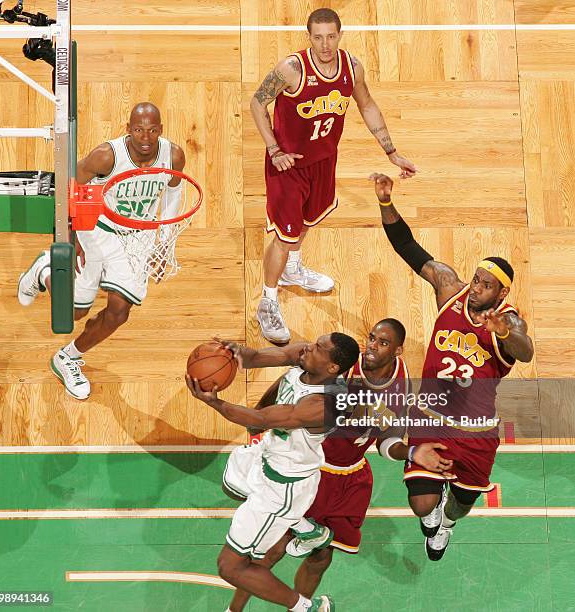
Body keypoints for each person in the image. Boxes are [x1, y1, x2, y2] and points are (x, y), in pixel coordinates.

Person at [225, 319, 453, 611]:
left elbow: (387, 443)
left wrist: (411, 454)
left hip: (348, 479)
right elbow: (290, 375)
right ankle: (234, 609)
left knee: (321, 558)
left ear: (398, 350)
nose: (372, 346)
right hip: (309, 469)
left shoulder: (398, 391)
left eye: (382, 343)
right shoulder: (341, 360)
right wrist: (259, 418)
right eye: (371, 338)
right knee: (270, 551)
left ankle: (302, 592)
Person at [371, 172, 534, 560]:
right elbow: (406, 244)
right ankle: (432, 516)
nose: (476, 288)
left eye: (486, 285)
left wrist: (504, 333)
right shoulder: (449, 288)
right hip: (430, 416)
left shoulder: (510, 322)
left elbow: (525, 351)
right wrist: (385, 201)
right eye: (476, 280)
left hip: (477, 431)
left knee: (459, 504)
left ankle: (448, 522)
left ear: (502, 292)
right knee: (420, 505)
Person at [250, 8, 417, 344]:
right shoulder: (291, 69)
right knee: (285, 235)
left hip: (324, 161)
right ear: (308, 36)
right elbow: (257, 102)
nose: (325, 44)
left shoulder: (351, 67)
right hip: (288, 165)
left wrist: (391, 151)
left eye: (331, 36)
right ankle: (267, 300)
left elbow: (367, 104)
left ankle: (292, 270)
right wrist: (274, 150)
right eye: (318, 37)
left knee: (308, 222)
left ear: (339, 35)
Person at [17, 102, 185, 400]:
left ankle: (68, 357)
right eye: (138, 130)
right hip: (97, 229)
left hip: (138, 237)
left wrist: (165, 245)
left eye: (152, 130)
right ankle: (45, 270)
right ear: (128, 129)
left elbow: (174, 191)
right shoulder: (106, 156)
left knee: (119, 312)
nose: (145, 138)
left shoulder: (173, 156)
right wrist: (70, 240)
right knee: (75, 312)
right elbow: (70, 189)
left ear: (161, 129)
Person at [186, 333, 360, 612]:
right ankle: (307, 529)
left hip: (284, 487)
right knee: (231, 485)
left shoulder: (322, 405)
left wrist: (213, 402)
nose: (309, 347)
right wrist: (233, 351)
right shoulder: (305, 358)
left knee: (230, 567)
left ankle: (307, 608)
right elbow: (256, 358)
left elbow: (262, 419)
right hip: (268, 455)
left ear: (332, 368)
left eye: (318, 348)